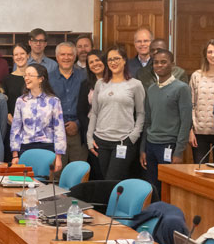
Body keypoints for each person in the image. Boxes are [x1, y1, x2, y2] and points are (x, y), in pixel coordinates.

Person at [87, 46, 145, 180]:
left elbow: (141, 113)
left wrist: (134, 136)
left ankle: (115, 202)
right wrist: (90, 137)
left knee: (112, 180)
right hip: (101, 141)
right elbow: (94, 112)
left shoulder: (135, 85)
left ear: (124, 60)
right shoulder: (100, 84)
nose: (113, 62)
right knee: (105, 179)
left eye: (117, 58)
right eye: (110, 60)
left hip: (123, 141)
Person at [140, 49, 192, 191]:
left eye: (163, 62)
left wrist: (179, 151)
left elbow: (186, 122)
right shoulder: (151, 89)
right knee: (152, 187)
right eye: (156, 62)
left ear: (172, 65)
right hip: (151, 145)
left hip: (169, 145)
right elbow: (147, 121)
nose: (159, 65)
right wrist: (143, 149)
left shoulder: (182, 89)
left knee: (168, 189)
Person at [10, 64, 66, 171]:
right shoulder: (21, 101)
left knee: (43, 183)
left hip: (47, 147)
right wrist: (15, 155)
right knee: (24, 183)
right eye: (25, 75)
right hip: (25, 148)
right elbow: (16, 129)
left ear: (41, 79)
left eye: (30, 75)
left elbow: (59, 130)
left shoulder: (53, 101)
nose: (26, 78)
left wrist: (59, 156)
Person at [189, 39, 214, 163]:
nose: (213, 55)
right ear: (205, 55)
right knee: (200, 170)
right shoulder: (196, 76)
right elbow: (191, 104)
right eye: (209, 52)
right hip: (199, 132)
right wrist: (189, 130)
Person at [49, 42, 87, 167]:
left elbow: (90, 106)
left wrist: (77, 124)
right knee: (56, 174)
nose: (66, 58)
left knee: (78, 172)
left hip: (79, 132)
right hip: (55, 133)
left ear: (75, 56)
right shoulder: (48, 79)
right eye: (62, 54)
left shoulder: (84, 77)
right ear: (57, 57)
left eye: (70, 54)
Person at [77, 50, 106, 179]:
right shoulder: (86, 84)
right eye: (91, 62)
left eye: (97, 60)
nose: (95, 64)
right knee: (96, 171)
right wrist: (91, 131)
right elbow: (81, 112)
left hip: (112, 131)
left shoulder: (115, 82)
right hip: (93, 134)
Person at [4, 44, 31, 122]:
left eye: (22, 53)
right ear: (13, 58)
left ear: (28, 55)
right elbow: (5, 104)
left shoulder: (35, 77)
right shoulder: (7, 80)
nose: (19, 57)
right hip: (13, 123)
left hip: (34, 124)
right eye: (16, 54)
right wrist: (10, 119)